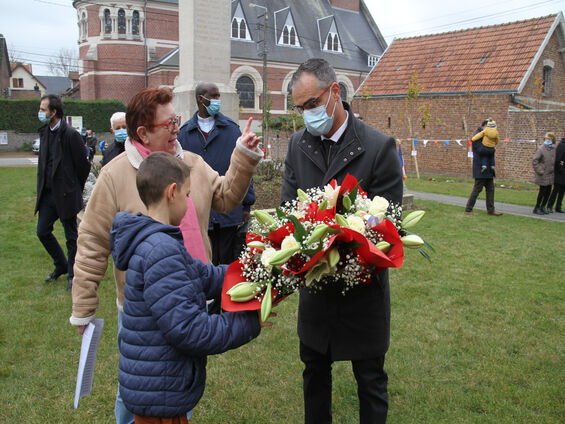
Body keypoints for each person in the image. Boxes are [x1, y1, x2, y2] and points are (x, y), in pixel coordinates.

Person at [69, 87, 262, 424]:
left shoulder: (192, 163)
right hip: (143, 311)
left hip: (190, 293)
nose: (177, 128)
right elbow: (91, 242)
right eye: (168, 123)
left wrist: (243, 157)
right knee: (140, 386)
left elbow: (226, 196)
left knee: (172, 385)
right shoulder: (115, 175)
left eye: (176, 120)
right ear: (142, 132)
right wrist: (84, 308)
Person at [281, 58, 403, 424]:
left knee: (370, 381)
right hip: (316, 295)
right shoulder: (297, 145)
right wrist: (303, 252)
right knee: (314, 376)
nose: (306, 115)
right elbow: (289, 217)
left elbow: (388, 228)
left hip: (362, 297)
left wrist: (347, 250)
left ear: (335, 92)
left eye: (312, 104)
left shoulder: (379, 147)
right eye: (300, 108)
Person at [110, 152, 268, 423]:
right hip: (161, 395)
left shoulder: (156, 241)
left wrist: (256, 271)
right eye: (188, 195)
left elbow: (203, 276)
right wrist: (250, 321)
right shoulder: (161, 250)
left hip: (157, 386)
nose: (189, 202)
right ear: (172, 192)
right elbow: (191, 330)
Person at [178, 82, 255, 265]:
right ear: (200, 99)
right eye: (213, 97)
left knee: (228, 264)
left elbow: (244, 169)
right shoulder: (184, 134)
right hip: (199, 212)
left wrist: (246, 206)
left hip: (229, 212)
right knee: (203, 262)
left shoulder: (231, 130)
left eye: (218, 96)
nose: (217, 101)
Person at [35, 94, 91, 291]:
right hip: (48, 194)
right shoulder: (44, 132)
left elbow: (83, 166)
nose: (40, 113)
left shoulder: (70, 135)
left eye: (43, 109)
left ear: (54, 112)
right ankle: (60, 264)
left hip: (65, 194)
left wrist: (74, 187)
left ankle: (73, 274)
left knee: (71, 236)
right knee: (42, 231)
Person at [464, 120, 503, 216]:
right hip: (480, 167)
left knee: (491, 189)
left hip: (489, 168)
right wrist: (492, 149)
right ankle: (468, 209)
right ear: (485, 126)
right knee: (477, 189)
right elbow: (481, 150)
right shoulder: (477, 137)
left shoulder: (489, 136)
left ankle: (491, 210)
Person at [532, 132, 556, 215]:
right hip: (543, 174)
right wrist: (540, 170)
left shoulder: (553, 149)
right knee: (542, 191)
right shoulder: (541, 149)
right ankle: (537, 207)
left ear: (552, 139)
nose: (547, 140)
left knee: (548, 191)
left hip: (550, 174)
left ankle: (543, 206)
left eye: (549, 139)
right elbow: (535, 161)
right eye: (546, 139)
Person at [547, 137, 565, 213]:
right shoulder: (562, 145)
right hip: (560, 172)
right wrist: (562, 168)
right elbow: (558, 160)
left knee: (562, 191)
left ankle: (558, 206)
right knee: (556, 190)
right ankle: (549, 206)